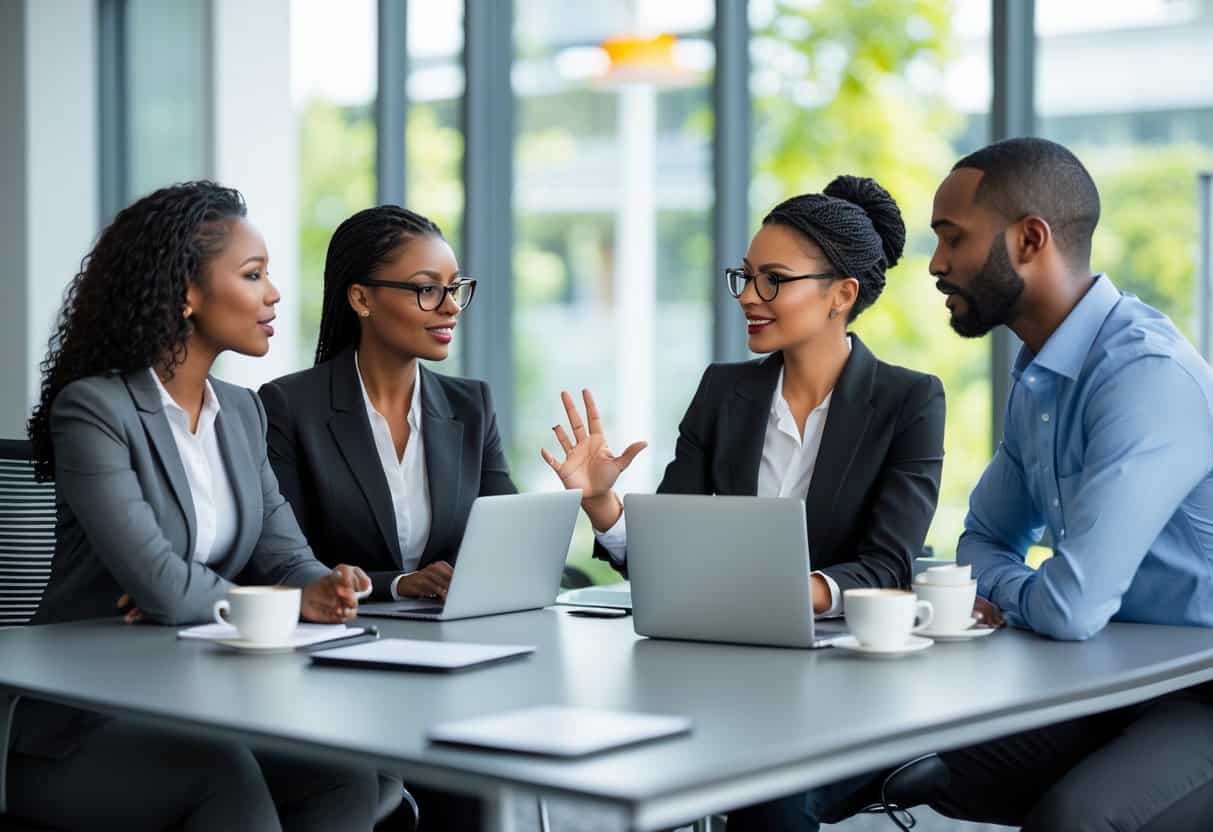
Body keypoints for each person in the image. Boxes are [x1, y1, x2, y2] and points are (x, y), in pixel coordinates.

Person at [542, 176, 947, 832]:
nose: (748, 299)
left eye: (772, 280)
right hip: (707, 670)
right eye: (745, 277)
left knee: (769, 792)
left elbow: (885, 566)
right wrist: (603, 504)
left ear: (840, 294)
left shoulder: (909, 401)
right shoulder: (723, 391)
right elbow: (666, 556)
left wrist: (784, 593)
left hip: (838, 680)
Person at [12, 181, 379, 831]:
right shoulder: (95, 410)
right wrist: (286, 603)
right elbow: (160, 584)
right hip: (84, 722)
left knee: (343, 776)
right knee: (224, 780)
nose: (274, 294)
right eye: (253, 274)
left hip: (201, 698)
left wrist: (325, 583)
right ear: (185, 292)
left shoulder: (240, 413)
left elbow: (281, 552)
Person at [259, 205, 516, 829]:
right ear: (361, 298)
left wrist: (582, 502)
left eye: (455, 289)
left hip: (448, 665)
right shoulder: (289, 406)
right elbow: (287, 558)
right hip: (332, 670)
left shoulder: (469, 405)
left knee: (478, 779)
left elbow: (504, 539)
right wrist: (400, 583)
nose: (450, 306)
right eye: (428, 290)